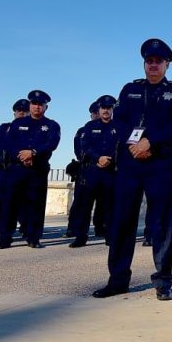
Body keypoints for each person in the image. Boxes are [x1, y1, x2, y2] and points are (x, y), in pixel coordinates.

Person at [92, 38, 172, 301]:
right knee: (122, 221)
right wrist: (134, 143)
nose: (153, 65)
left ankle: (163, 280)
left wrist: (150, 141)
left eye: (158, 61)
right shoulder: (130, 90)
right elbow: (120, 121)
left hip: (161, 164)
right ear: (144, 64)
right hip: (131, 163)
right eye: (149, 61)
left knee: (161, 223)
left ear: (166, 64)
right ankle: (118, 279)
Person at [0, 90, 60, 249]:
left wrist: (33, 153)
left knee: (36, 205)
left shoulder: (51, 125)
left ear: (46, 107)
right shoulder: (17, 124)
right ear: (30, 105)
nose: (37, 107)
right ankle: (4, 238)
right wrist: (21, 157)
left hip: (37, 170)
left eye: (41, 104)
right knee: (9, 204)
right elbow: (8, 144)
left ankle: (33, 238)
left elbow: (52, 144)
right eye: (34, 104)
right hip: (16, 169)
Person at [68, 96, 119, 248]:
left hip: (110, 171)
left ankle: (110, 237)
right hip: (91, 171)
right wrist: (99, 158)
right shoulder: (89, 127)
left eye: (109, 108)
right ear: (99, 109)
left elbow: (121, 147)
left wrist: (109, 159)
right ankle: (80, 237)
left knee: (110, 206)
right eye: (103, 108)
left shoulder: (119, 127)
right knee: (85, 206)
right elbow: (85, 147)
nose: (106, 110)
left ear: (112, 109)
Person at [0, 99, 30, 239]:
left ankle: (26, 229)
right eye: (19, 111)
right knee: (1, 201)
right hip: (6, 169)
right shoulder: (4, 128)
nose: (22, 114)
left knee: (26, 201)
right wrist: (19, 153)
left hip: (25, 169)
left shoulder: (33, 128)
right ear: (14, 113)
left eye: (25, 112)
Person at [65, 101, 100, 237]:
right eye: (94, 113)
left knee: (103, 202)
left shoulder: (112, 128)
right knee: (80, 201)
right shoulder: (83, 131)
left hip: (106, 169)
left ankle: (101, 227)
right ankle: (73, 227)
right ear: (91, 114)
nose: (97, 115)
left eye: (99, 112)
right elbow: (79, 150)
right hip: (86, 169)